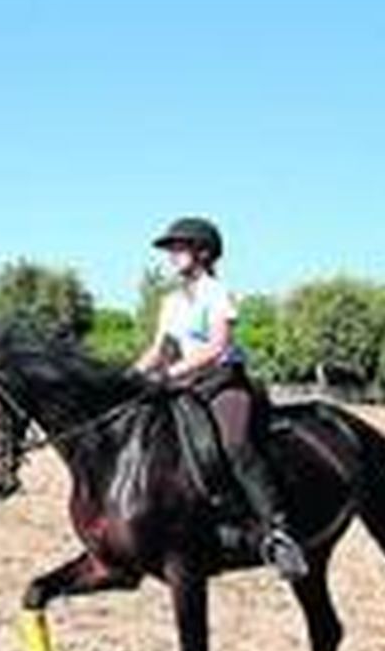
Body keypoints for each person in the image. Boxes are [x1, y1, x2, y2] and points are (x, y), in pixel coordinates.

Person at [132, 217, 308, 580]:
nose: (172, 255)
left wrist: (171, 373)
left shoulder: (217, 293)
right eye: (172, 249)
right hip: (186, 382)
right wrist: (129, 378)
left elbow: (217, 346)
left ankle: (279, 532)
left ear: (203, 252)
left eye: (179, 248)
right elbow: (160, 348)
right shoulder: (171, 302)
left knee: (235, 442)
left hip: (224, 381)